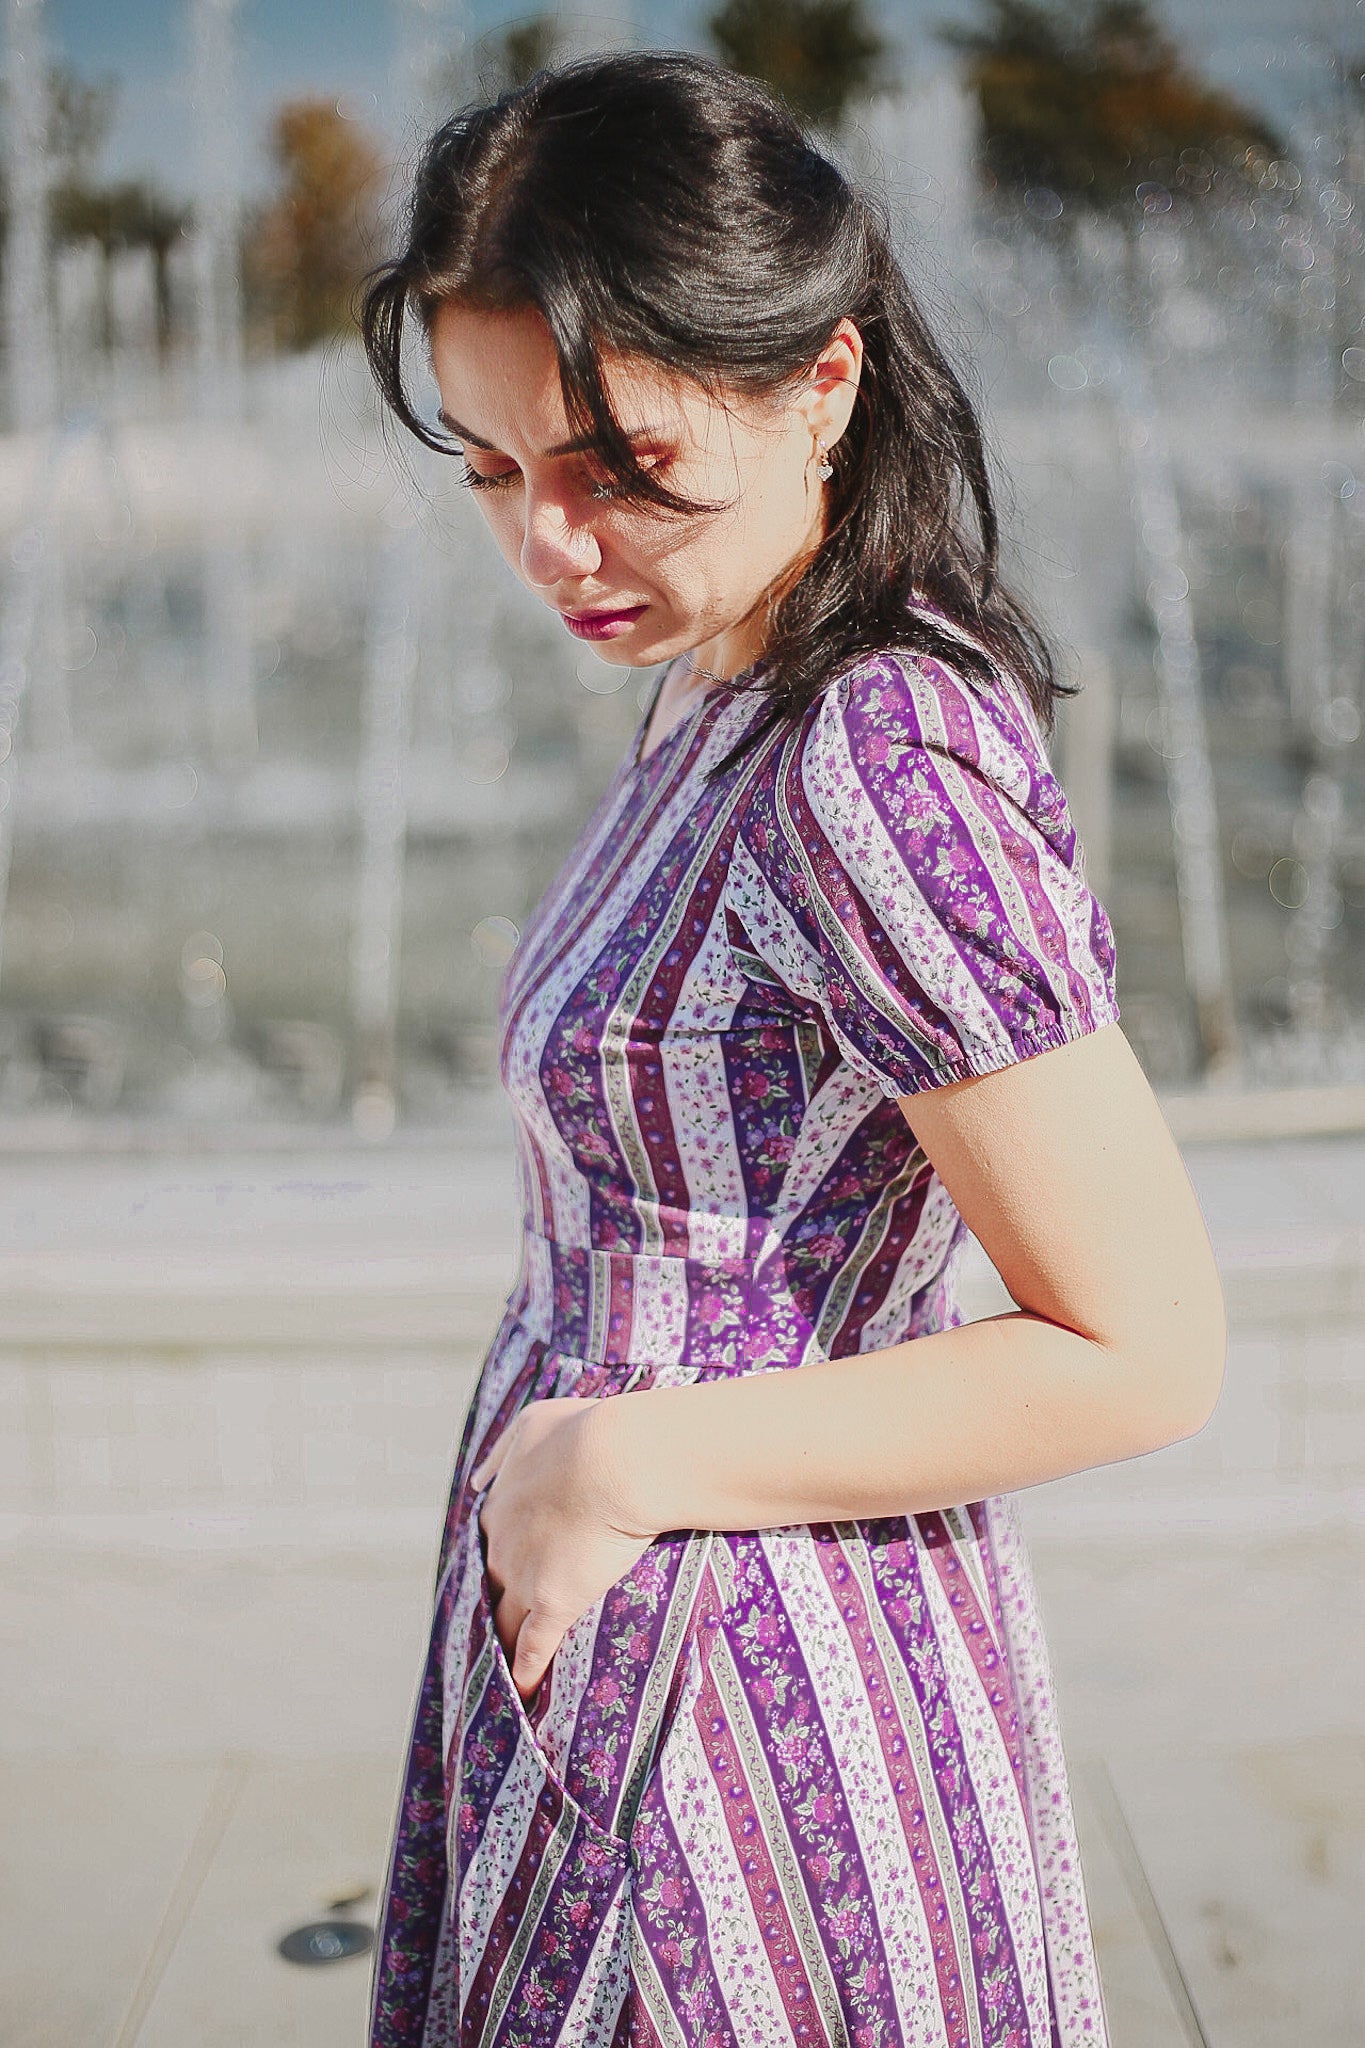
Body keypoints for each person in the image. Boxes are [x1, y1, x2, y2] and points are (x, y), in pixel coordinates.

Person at [360, 50, 1225, 2048]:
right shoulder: (726, 677)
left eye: (614, 465)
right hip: (652, 1638)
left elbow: (1142, 1341)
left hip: (751, 1728)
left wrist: (621, 1459)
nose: (551, 548)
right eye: (496, 471)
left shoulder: (867, 752)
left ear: (814, 384)